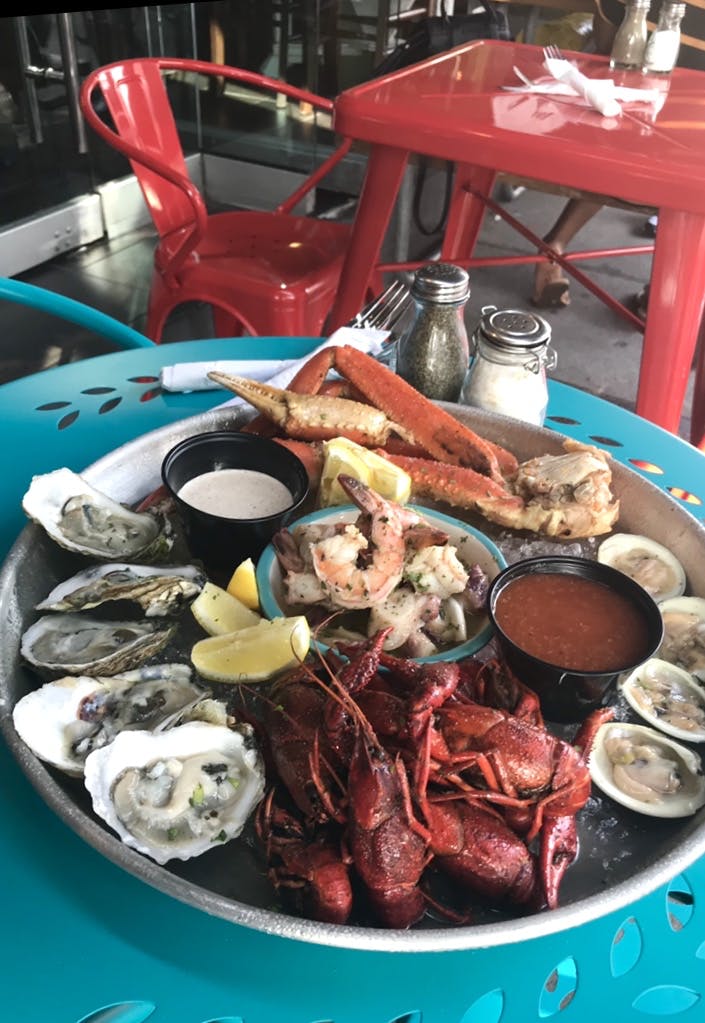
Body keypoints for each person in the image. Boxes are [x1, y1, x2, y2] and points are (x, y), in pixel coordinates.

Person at [532, 0, 705, 311]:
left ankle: (553, 248)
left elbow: (608, 49)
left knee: (622, 147)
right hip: (674, 142)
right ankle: (670, 287)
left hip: (629, 125)